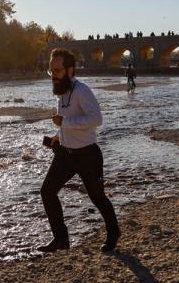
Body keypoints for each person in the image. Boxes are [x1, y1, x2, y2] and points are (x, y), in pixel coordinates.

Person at [38, 48, 121, 253]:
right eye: (51, 70)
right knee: (47, 192)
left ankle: (113, 231)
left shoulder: (82, 90)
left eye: (57, 70)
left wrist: (65, 122)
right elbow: (68, 124)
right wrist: (58, 137)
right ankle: (61, 239)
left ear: (70, 70)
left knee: (97, 197)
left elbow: (96, 119)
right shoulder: (61, 92)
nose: (53, 75)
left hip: (87, 155)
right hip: (65, 154)